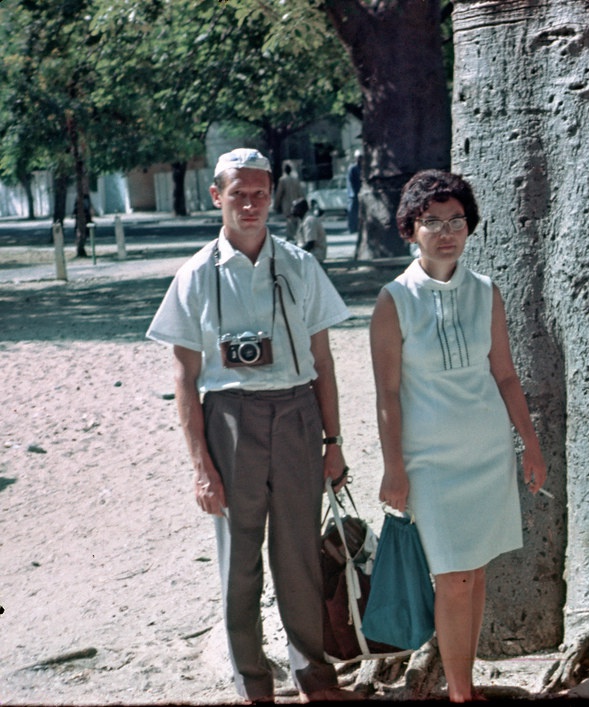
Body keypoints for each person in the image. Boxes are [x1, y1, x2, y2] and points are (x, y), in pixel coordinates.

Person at [146, 148, 359, 703]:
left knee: (298, 557)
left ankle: (313, 675)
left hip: (295, 414)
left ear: (273, 196)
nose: (249, 204)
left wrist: (332, 443)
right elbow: (185, 381)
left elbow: (325, 363)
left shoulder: (299, 265)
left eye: (259, 193)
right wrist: (201, 468)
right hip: (230, 418)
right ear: (217, 196)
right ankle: (252, 681)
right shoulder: (195, 275)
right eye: (237, 193)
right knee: (239, 560)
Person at [369, 170, 546, 703]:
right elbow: (387, 396)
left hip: (488, 453)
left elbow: (507, 375)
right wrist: (394, 467)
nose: (446, 232)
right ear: (410, 230)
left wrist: (529, 445)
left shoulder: (487, 292)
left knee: (475, 569)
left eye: (456, 221)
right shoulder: (392, 301)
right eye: (432, 223)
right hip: (429, 461)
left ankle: (463, 685)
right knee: (453, 576)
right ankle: (461, 694)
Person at [274, 162, 305, 242]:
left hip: (287, 204)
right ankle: (297, 236)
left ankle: (290, 237)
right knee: (296, 221)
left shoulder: (282, 180)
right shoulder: (295, 179)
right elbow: (300, 192)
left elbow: (279, 193)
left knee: (289, 221)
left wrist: (276, 205)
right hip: (297, 203)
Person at [292, 197, 327, 265]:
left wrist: (296, 254)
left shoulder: (309, 220)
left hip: (315, 255)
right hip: (307, 254)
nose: (292, 210)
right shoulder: (302, 219)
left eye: (295, 207)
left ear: (301, 209)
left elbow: (310, 244)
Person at [345, 151, 361, 235]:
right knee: (352, 212)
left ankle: (357, 227)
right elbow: (350, 182)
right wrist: (353, 193)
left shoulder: (361, 168)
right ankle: (351, 228)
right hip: (353, 195)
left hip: (359, 193)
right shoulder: (352, 168)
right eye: (358, 157)